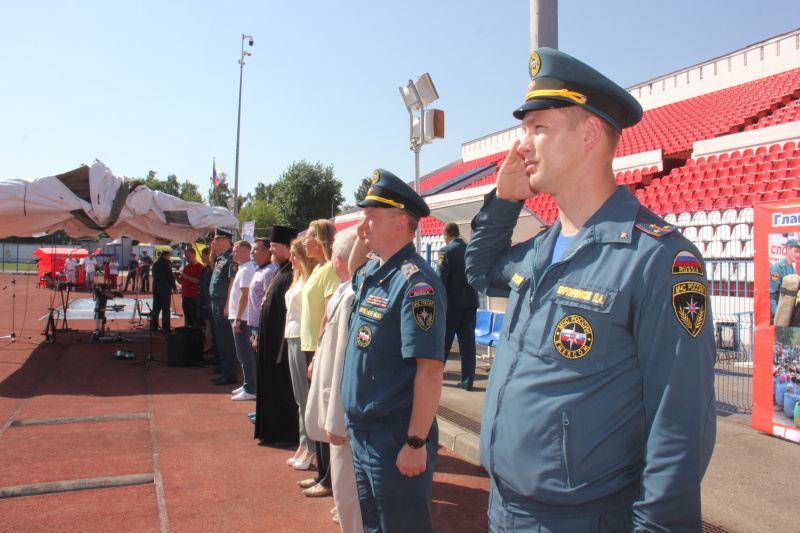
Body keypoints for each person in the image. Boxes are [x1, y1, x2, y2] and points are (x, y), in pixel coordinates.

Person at [464, 48, 716, 531]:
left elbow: (680, 425)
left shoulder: (658, 259)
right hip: (504, 509)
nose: (522, 146)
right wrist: (502, 201)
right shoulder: (540, 248)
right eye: (524, 129)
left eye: (539, 128)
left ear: (588, 135)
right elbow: (480, 270)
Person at [341, 168, 445, 533]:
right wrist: (364, 233)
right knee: (375, 527)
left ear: (401, 222)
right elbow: (350, 271)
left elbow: (430, 372)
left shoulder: (416, 284)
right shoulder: (376, 272)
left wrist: (415, 442)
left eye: (371, 217)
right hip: (363, 431)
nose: (363, 224)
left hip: (393, 436)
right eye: (363, 216)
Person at [305, 228, 364, 532]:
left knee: (348, 472)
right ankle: (345, 511)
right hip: (332, 394)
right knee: (343, 476)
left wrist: (337, 414)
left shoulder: (354, 294)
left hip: (341, 401)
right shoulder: (345, 289)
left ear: (339, 259)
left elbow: (345, 357)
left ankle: (350, 516)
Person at [298, 219, 340, 498]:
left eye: (308, 237)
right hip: (309, 344)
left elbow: (328, 313)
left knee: (323, 412)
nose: (304, 242)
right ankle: (321, 472)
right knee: (314, 410)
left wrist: (318, 352)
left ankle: (328, 478)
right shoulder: (318, 268)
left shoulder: (329, 271)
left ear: (320, 239)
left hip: (318, 347)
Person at [253, 224, 300, 446]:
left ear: (289, 247)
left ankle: (284, 433)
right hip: (268, 341)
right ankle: (269, 430)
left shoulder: (292, 273)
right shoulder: (280, 269)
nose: (271, 250)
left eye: (274, 246)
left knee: (282, 390)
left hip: (280, 343)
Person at [283, 238, 318, 469]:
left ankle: (312, 448)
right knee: (299, 397)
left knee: (305, 398)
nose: (291, 259)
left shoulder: (309, 280)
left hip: (302, 339)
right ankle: (304, 444)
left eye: (295, 255)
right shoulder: (298, 279)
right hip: (291, 335)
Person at [436, 222, 480, 390]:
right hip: (470, 302)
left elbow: (441, 281)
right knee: (468, 344)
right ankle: (468, 381)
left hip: (451, 305)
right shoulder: (470, 250)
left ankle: (436, 377)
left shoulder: (446, 252)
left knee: (444, 343)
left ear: (446, 235)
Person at [228, 240, 258, 401]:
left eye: (235, 250)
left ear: (245, 252)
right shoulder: (244, 269)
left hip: (243, 318)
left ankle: (250, 387)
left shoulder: (247, 270)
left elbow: (244, 296)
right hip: (241, 317)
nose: (232, 253)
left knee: (245, 353)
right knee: (244, 354)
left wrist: (238, 319)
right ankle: (248, 383)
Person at [209, 229, 238, 386]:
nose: (215, 242)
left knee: (226, 339)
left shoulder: (231, 259)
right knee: (219, 337)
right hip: (216, 302)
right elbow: (212, 267)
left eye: (218, 240)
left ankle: (230, 373)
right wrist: (213, 252)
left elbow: (232, 283)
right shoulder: (221, 257)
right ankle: (224, 367)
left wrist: (227, 305)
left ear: (226, 240)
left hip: (222, 302)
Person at [770, 238, 799, 323]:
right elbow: (772, 294)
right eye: (796, 251)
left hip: (789, 313)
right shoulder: (777, 268)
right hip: (779, 315)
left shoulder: (794, 272)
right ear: (788, 249)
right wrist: (776, 314)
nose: (798, 255)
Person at [150, 250, 177, 332]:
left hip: (156, 287)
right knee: (165, 308)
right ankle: (166, 327)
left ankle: (153, 326)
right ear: (166, 256)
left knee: (156, 308)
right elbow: (169, 275)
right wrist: (174, 286)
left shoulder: (155, 264)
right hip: (164, 287)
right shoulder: (166, 263)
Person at [179, 248, 203, 328]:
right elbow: (182, 281)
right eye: (185, 256)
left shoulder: (199, 267)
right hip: (185, 295)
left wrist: (186, 276)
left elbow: (199, 281)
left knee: (194, 318)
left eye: (188, 256)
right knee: (187, 317)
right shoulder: (186, 267)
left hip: (194, 296)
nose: (187, 258)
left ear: (194, 255)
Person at [197, 247, 215, 354]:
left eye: (204, 255)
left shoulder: (210, 268)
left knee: (209, 324)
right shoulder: (207, 268)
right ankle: (209, 344)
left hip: (207, 300)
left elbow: (209, 286)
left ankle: (209, 345)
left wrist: (205, 302)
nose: (202, 257)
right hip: (204, 299)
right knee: (206, 323)